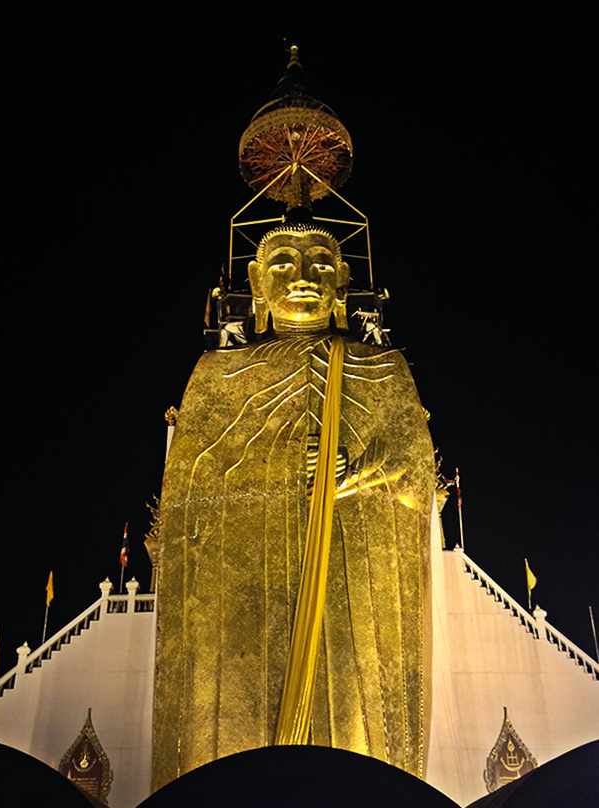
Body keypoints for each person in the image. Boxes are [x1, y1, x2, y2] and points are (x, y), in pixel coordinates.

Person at [152, 224, 435, 790]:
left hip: (352, 585)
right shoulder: (215, 376)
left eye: (322, 267)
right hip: (243, 600)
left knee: (356, 740)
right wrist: (280, 470)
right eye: (283, 263)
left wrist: (353, 474)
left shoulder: (384, 370)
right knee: (235, 747)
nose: (304, 278)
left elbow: (416, 472)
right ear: (256, 284)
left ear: (343, 285)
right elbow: (185, 497)